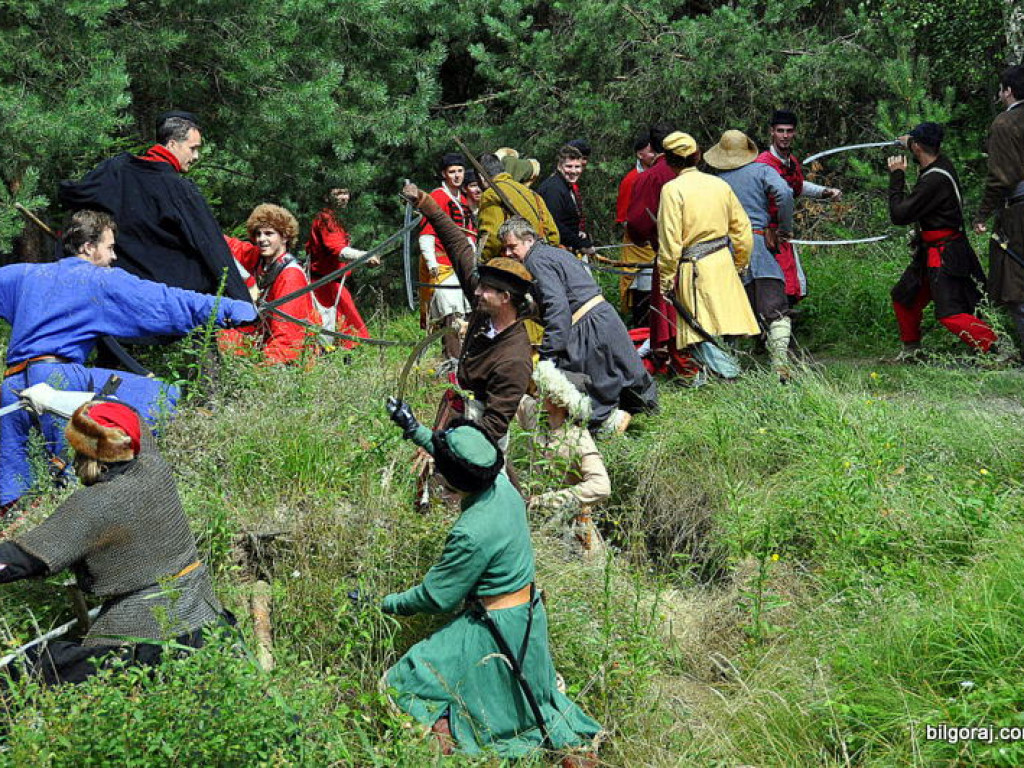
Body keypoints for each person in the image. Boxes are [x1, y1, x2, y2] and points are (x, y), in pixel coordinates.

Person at [381, 402, 603, 762]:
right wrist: (413, 428)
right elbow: (459, 456)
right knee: (534, 699)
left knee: (407, 679)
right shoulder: (501, 485)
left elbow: (436, 597)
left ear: (452, 481)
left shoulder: (471, 532)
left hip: (493, 628)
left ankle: (450, 738)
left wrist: (385, 603)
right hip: (529, 616)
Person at [0, 210, 256, 514]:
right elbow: (165, 301)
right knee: (163, 399)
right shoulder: (99, 280)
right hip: (58, 384)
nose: (114, 256)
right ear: (88, 247)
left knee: (15, 500)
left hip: (12, 390)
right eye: (109, 247)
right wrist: (232, 309)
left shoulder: (23, 275)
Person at [0, 401, 230, 685]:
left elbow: (22, 559)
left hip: (147, 634)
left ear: (87, 453)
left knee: (28, 671)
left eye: (77, 449)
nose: (72, 459)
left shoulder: (95, 505)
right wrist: (58, 401)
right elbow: (130, 412)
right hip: (205, 618)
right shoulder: (154, 467)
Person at [58, 111, 250, 303]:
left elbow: (72, 193)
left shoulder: (116, 171)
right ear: (172, 144)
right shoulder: (178, 190)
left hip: (121, 295)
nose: (196, 156)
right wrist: (243, 303)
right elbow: (212, 246)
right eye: (193, 148)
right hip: (169, 301)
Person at [402, 183, 533, 449]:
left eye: (485, 289)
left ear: (505, 298)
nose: (477, 292)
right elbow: (457, 244)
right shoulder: (486, 309)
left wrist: (448, 445)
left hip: (481, 435)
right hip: (457, 413)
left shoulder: (514, 358)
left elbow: (493, 427)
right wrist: (424, 202)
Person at [499, 216, 658, 435]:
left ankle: (612, 424)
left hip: (587, 328)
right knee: (624, 375)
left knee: (585, 387)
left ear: (528, 240)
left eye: (512, 247)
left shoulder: (534, 261)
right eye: (505, 248)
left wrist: (549, 353)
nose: (508, 253)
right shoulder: (555, 252)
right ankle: (647, 425)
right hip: (604, 318)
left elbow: (557, 307)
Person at [887, 123, 996, 359]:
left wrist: (897, 174)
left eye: (913, 143)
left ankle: (997, 347)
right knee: (904, 298)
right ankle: (912, 351)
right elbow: (921, 151)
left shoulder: (935, 180)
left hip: (945, 254)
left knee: (950, 313)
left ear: (918, 147)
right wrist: (909, 142)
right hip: (930, 251)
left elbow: (899, 215)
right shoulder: (940, 163)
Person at [656, 132, 759, 378]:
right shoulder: (719, 185)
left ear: (668, 161)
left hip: (695, 269)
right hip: (723, 263)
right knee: (726, 324)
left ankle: (729, 377)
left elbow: (670, 242)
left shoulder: (672, 190)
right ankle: (719, 378)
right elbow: (743, 231)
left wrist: (666, 280)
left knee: (701, 330)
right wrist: (740, 263)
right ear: (698, 156)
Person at [705, 130, 797, 376]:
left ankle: (729, 368)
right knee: (775, 309)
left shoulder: (714, 181)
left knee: (727, 310)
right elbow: (785, 193)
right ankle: (780, 364)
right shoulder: (762, 171)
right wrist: (784, 228)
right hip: (757, 245)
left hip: (722, 250)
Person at [754, 109, 842, 307]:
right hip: (766, 235)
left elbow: (797, 186)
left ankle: (783, 320)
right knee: (773, 286)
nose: (785, 136)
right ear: (772, 132)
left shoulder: (791, 161)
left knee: (790, 286)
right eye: (780, 131)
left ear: (794, 133)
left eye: (789, 131)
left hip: (783, 234)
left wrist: (825, 192)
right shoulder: (762, 164)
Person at [521, 361, 609, 556]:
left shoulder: (578, 438)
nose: (536, 394)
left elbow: (601, 486)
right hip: (536, 523)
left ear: (559, 398)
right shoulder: (535, 416)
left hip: (571, 530)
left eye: (544, 390)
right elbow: (514, 398)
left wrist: (549, 500)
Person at [220, 204, 323, 365]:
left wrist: (261, 371)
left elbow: (288, 337)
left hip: (288, 354)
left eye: (269, 233)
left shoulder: (291, 276)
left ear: (285, 237)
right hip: (264, 337)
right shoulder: (260, 259)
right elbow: (232, 247)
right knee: (217, 337)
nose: (262, 239)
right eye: (258, 234)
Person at [973, 65, 1024, 348]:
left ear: (1008, 91)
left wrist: (982, 214)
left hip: (1019, 213)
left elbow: (1001, 178)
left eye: (1002, 90)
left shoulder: (1005, 124)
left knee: (1016, 281)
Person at [419, 153, 476, 363]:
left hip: (462, 263)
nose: (457, 175)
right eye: (452, 172)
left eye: (460, 171)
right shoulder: (438, 196)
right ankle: (452, 360)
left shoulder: (463, 199)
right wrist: (431, 262)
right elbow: (426, 233)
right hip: (441, 263)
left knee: (468, 311)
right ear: (444, 174)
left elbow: (470, 233)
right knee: (450, 311)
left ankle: (467, 359)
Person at [304, 185, 373, 345]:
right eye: (338, 193)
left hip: (333, 284)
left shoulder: (337, 218)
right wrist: (364, 257)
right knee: (328, 334)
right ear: (327, 197)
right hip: (322, 286)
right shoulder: (326, 218)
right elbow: (337, 249)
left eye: (346, 192)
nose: (343, 197)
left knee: (351, 331)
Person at [476, 153, 560, 264]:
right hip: (544, 259)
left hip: (515, 265)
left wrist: (480, 261)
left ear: (481, 178)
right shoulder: (531, 193)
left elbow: (491, 239)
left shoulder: (490, 194)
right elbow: (553, 235)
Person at [616, 130, 659, 324]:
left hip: (655, 244)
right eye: (651, 151)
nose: (655, 155)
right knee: (642, 292)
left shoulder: (656, 175)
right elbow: (625, 218)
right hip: (639, 246)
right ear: (640, 154)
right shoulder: (631, 179)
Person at [537, 146, 595, 258]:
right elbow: (554, 223)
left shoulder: (566, 185)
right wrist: (580, 244)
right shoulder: (553, 188)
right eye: (569, 166)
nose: (573, 171)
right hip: (555, 251)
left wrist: (578, 234)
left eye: (577, 167)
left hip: (568, 247)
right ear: (559, 166)